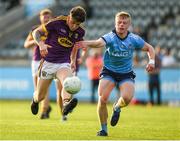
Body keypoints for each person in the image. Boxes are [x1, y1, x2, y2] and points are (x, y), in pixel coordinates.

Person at [75, 11, 155, 136]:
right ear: (115, 23)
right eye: (119, 22)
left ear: (129, 25)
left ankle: (117, 107)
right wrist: (87, 43)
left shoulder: (134, 39)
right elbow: (98, 43)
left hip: (126, 73)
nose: (121, 25)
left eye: (124, 23)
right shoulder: (110, 37)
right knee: (102, 99)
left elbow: (150, 48)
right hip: (109, 72)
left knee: (127, 98)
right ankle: (103, 129)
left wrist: (152, 61)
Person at [30, 6, 86, 120]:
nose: (75, 26)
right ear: (69, 17)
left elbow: (75, 46)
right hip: (48, 63)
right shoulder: (57, 22)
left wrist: (73, 60)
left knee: (67, 81)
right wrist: (41, 44)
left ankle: (66, 105)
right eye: (73, 23)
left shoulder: (80, 32)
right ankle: (35, 100)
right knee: (40, 96)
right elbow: (36, 32)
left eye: (78, 24)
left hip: (63, 63)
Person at [24, 8, 53, 119]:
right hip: (36, 60)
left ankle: (44, 111)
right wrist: (38, 41)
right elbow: (26, 44)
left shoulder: (53, 29)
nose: (45, 18)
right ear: (40, 18)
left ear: (51, 17)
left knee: (44, 88)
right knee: (38, 88)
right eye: (43, 16)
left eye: (47, 16)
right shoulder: (35, 30)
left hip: (49, 60)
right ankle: (45, 107)